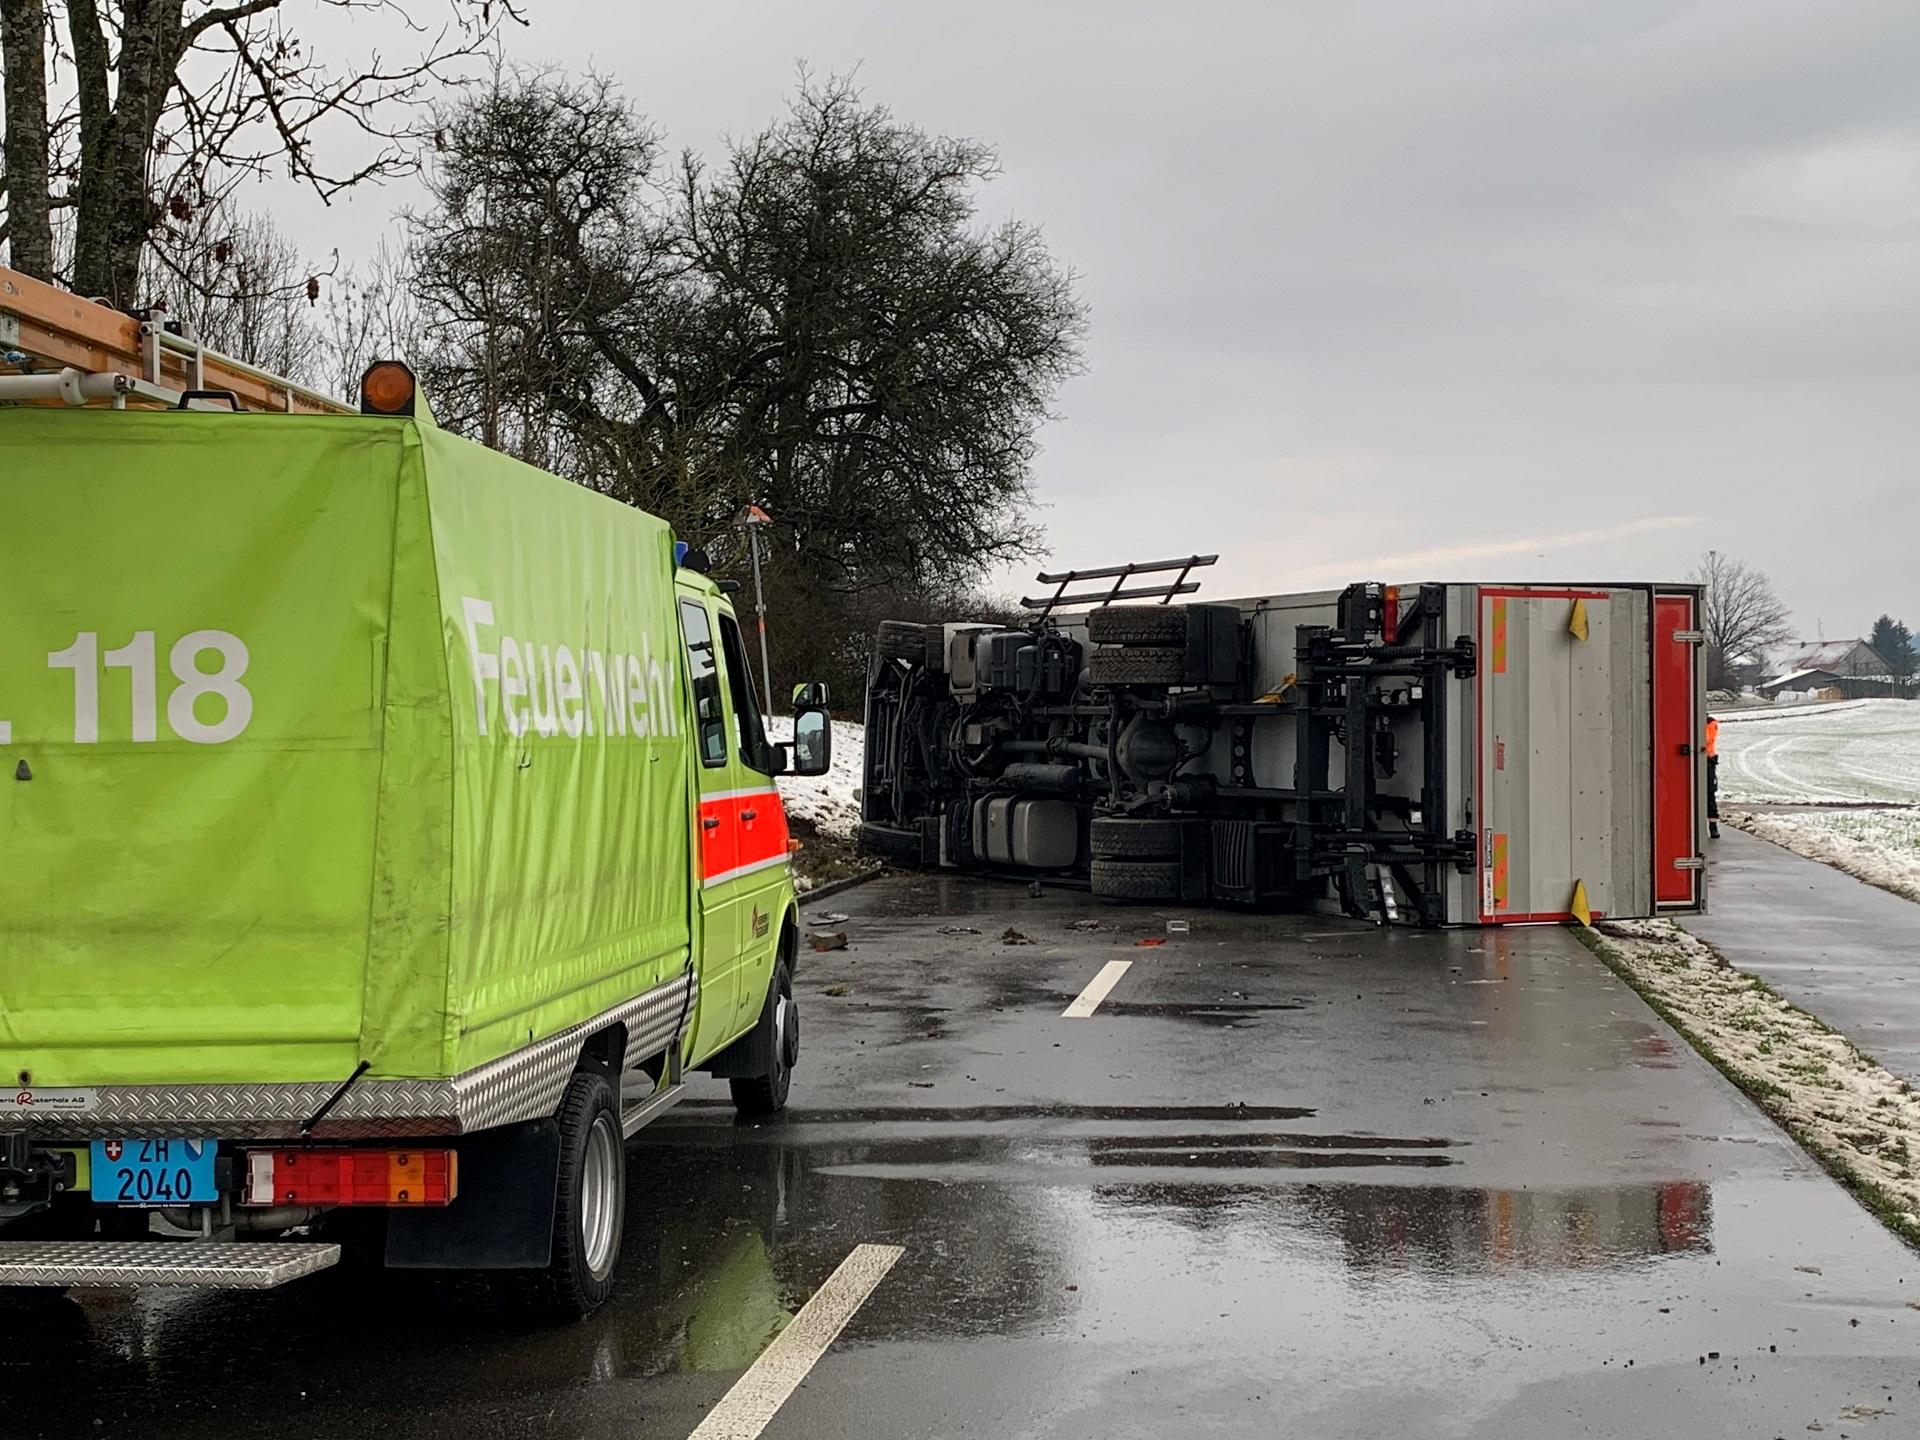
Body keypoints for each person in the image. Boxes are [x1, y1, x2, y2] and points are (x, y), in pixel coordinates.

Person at [1705, 715, 1720, 840]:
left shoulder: (1710, 723)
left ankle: (1713, 826)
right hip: (1704, 761)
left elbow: (1706, 740)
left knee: (1709, 794)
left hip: (1708, 761)